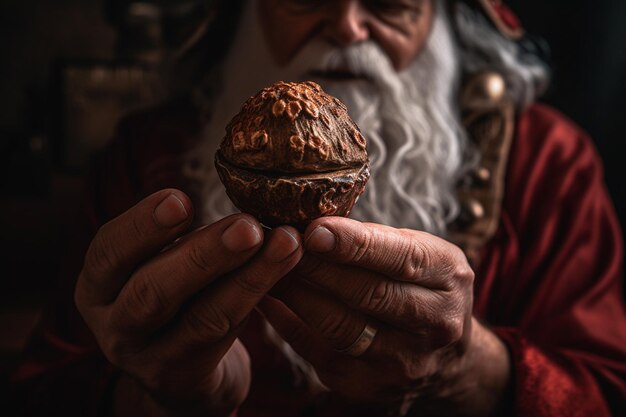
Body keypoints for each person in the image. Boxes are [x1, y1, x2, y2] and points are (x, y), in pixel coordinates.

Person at [9, 0, 626, 416]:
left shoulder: (548, 161)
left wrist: (469, 367)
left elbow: (605, 391)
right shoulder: (147, 158)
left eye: (387, 1)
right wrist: (149, 395)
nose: (348, 25)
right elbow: (41, 389)